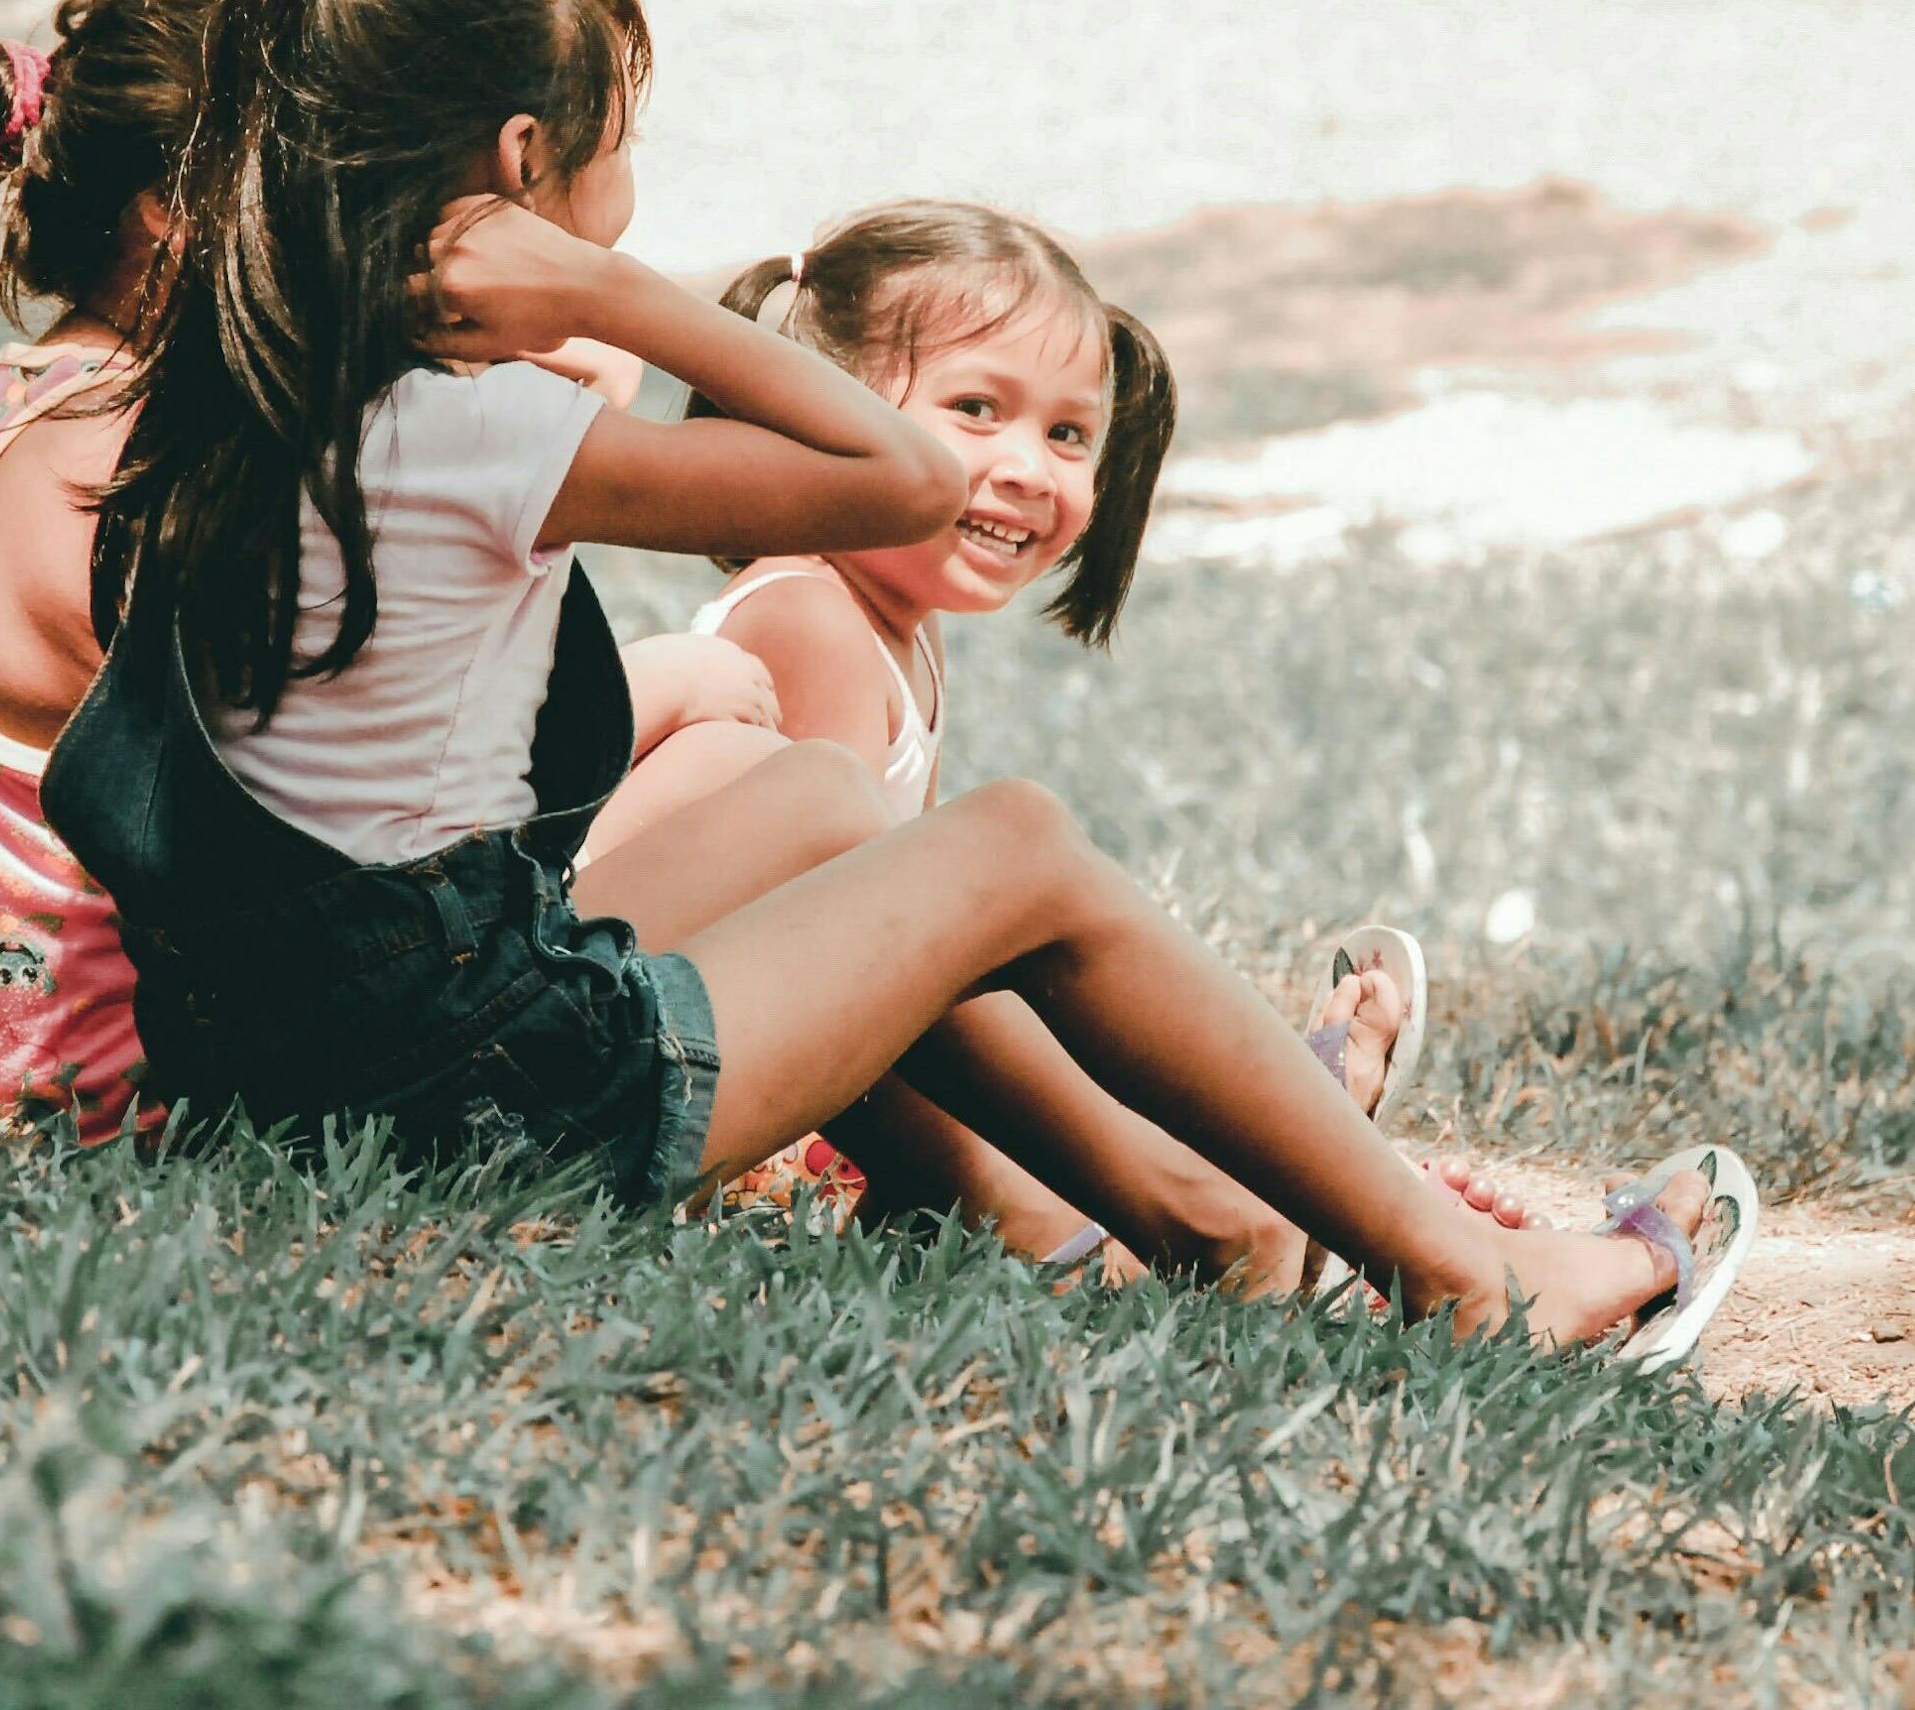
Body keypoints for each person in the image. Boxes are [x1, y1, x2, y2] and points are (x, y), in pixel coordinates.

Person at [39, 0, 1757, 1353]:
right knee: (1011, 848)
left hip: (285, 1072)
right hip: (472, 1104)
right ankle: (1472, 1279)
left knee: (811, 800)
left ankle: (1204, 1221)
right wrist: (608, 293)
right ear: (522, 164)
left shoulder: (237, 378)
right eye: (614, 151)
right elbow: (903, 481)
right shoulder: (468, 427)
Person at [0, 0, 827, 1137]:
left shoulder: (62, 397)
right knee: (776, 789)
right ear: (181, 218)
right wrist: (665, 679)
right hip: (131, 1119)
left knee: (751, 782)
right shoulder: (159, 468)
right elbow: (382, 804)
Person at [583, 202, 1518, 1291]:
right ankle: (1167, 1199)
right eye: (976, 410)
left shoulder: (897, 635)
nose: (1031, 468)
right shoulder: (808, 619)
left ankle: (1252, 1152)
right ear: (818, 412)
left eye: (1068, 436)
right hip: (698, 1069)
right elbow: (850, 988)